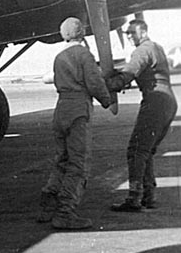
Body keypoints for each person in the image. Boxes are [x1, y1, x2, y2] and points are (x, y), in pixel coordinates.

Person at [38, 17, 113, 230]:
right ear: (83, 32)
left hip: (61, 109)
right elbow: (94, 82)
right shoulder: (84, 55)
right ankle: (65, 213)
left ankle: (47, 205)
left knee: (61, 160)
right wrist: (107, 100)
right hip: (78, 111)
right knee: (78, 164)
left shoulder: (59, 57)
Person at [106, 19, 177, 212]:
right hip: (168, 101)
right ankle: (148, 195)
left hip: (155, 101)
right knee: (146, 150)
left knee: (136, 150)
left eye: (132, 32)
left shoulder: (142, 50)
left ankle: (134, 198)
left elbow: (129, 74)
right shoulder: (156, 47)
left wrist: (107, 85)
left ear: (143, 32)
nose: (128, 36)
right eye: (127, 32)